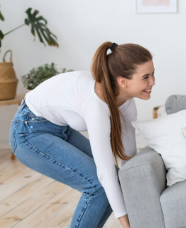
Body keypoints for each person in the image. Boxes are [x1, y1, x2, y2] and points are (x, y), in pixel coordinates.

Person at [9, 42, 155, 228]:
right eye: (145, 77)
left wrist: (138, 209)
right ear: (122, 81)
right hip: (29, 131)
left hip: (60, 129)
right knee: (98, 187)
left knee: (113, 186)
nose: (153, 82)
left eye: (152, 74)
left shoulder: (126, 104)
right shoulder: (96, 105)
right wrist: (127, 225)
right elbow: (105, 172)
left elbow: (128, 158)